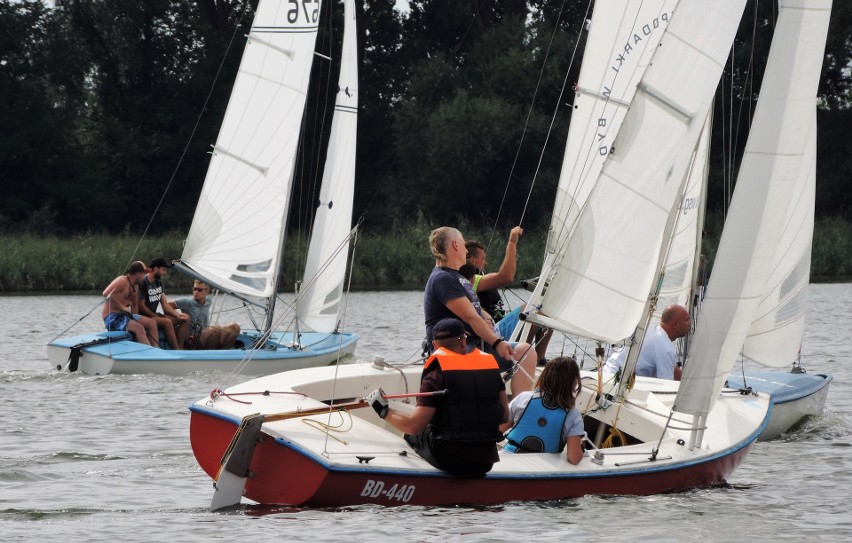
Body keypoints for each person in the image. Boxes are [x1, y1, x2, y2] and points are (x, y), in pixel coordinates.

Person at [367, 317, 509, 477]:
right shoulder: (490, 367)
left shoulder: (435, 375)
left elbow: (414, 426)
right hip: (486, 461)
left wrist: (383, 411)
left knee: (412, 435)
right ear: (463, 340)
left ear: (434, 345)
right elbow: (505, 417)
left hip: (449, 459)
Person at [423, 226, 536, 395]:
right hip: (456, 350)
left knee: (526, 352)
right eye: (463, 244)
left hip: (477, 345)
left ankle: (518, 412)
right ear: (455, 245)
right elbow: (469, 317)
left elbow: (474, 309)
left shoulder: (458, 277)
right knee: (485, 365)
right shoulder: (442, 278)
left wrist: (486, 316)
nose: (466, 249)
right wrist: (497, 343)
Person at [466, 227, 552, 365]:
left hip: (500, 325)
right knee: (528, 310)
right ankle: (523, 359)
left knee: (546, 312)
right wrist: (512, 242)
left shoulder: (479, 277)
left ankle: (539, 359)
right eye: (483, 258)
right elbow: (505, 276)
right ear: (473, 260)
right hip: (493, 332)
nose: (485, 262)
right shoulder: (471, 280)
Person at [502, 356, 585, 465]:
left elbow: (498, 430)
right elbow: (574, 458)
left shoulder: (523, 398)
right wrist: (581, 451)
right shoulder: (573, 415)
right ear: (574, 383)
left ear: (545, 376)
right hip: (541, 468)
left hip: (509, 458)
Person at [602, 304, 692, 380]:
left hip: (605, 373)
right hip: (616, 382)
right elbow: (666, 384)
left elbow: (669, 366)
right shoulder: (665, 348)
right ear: (675, 324)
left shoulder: (649, 330)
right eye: (687, 320)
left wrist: (688, 381)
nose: (690, 323)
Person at [101, 261, 159, 347]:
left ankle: (156, 350)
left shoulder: (136, 286)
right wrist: (122, 307)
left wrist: (135, 317)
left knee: (152, 323)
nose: (144, 277)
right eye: (144, 274)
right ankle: (150, 354)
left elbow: (135, 306)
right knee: (139, 328)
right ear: (138, 274)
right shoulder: (122, 280)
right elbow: (106, 293)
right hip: (112, 316)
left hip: (125, 315)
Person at [171, 280, 242, 349]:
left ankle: (224, 353)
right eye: (195, 289)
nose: (196, 292)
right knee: (215, 329)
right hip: (192, 338)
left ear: (207, 291)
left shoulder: (208, 301)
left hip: (205, 333)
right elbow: (167, 305)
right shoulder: (187, 301)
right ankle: (211, 355)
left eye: (199, 290)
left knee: (235, 327)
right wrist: (178, 316)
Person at [138, 257, 190, 350]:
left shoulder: (159, 283)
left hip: (154, 316)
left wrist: (177, 315)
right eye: (163, 270)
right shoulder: (143, 283)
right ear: (155, 269)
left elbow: (165, 305)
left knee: (185, 318)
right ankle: (177, 351)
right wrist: (154, 315)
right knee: (167, 322)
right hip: (144, 317)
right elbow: (141, 306)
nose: (165, 273)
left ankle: (181, 349)